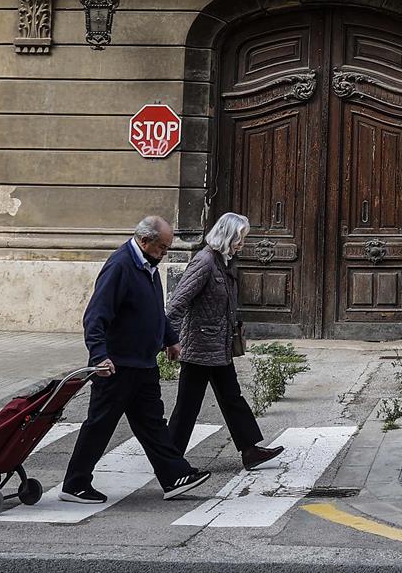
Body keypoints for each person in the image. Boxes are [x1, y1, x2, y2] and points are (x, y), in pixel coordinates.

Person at [59, 215, 212, 504]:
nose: (165, 253)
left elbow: (154, 310)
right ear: (144, 241)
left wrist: (170, 339)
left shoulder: (148, 265)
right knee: (100, 424)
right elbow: (95, 317)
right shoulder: (120, 266)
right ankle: (75, 484)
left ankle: (174, 476)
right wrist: (99, 356)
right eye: (162, 247)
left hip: (142, 363)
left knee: (152, 423)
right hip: (117, 365)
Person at [166, 212, 284, 471]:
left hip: (218, 348)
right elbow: (176, 304)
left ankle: (250, 450)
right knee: (187, 407)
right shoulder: (205, 262)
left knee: (233, 398)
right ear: (227, 236)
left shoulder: (223, 261)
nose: (243, 242)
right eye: (240, 237)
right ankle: (170, 460)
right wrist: (170, 339)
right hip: (198, 348)